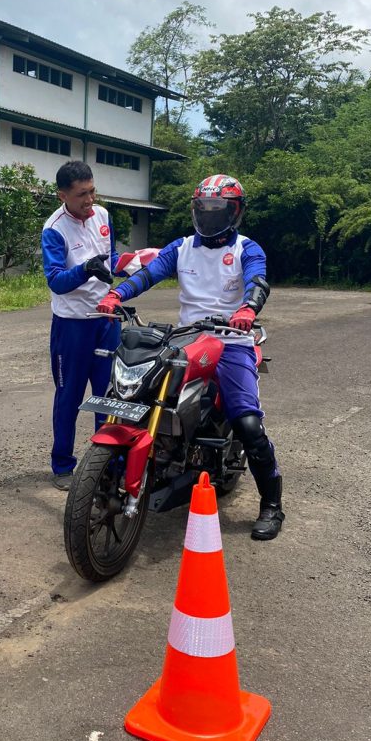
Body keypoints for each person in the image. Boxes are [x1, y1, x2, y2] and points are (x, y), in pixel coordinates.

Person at [97, 174, 284, 540]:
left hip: (232, 340)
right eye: (205, 209)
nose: (210, 216)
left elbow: (257, 280)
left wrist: (247, 308)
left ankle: (272, 505)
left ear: (237, 212)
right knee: (137, 394)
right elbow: (149, 274)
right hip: (187, 340)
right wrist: (116, 296)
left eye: (219, 210)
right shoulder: (182, 247)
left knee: (246, 423)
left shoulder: (248, 248)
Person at [41, 160, 121, 491]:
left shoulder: (103, 216)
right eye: (81, 195)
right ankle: (63, 466)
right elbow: (56, 280)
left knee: (111, 396)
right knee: (69, 396)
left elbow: (112, 258)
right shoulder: (54, 229)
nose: (89, 200)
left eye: (92, 191)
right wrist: (86, 269)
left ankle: (107, 464)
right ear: (63, 195)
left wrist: (136, 263)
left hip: (106, 321)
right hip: (73, 325)